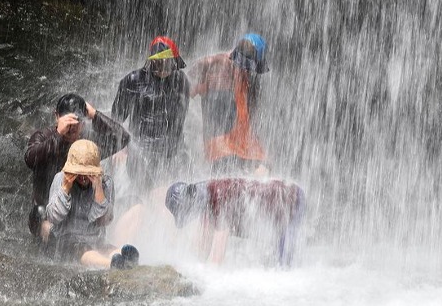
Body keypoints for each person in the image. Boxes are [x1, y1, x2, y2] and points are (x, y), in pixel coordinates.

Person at [25, 93, 130, 245]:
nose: (72, 127)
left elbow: (123, 138)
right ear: (57, 117)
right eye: (67, 121)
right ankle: (51, 244)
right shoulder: (44, 136)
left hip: (81, 212)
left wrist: (94, 115)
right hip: (50, 210)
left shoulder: (87, 144)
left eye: (77, 121)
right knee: (39, 212)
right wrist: (57, 135)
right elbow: (30, 159)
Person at [111, 35, 190, 192]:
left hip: (172, 151)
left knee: (176, 192)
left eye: (167, 63)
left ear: (175, 62)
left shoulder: (181, 81)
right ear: (152, 61)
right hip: (141, 150)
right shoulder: (133, 80)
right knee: (143, 193)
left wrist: (178, 149)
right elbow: (116, 118)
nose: (162, 68)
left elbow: (179, 120)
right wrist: (120, 148)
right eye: (158, 63)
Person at [165, 178, 305, 265]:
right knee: (274, 266)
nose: (190, 216)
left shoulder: (219, 196)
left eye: (186, 213)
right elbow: (201, 251)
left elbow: (216, 259)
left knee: (284, 270)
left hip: (292, 201)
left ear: (189, 203)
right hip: (277, 210)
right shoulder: (206, 197)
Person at [46, 139, 139, 268]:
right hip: (66, 240)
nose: (83, 177)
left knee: (106, 248)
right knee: (84, 249)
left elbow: (105, 221)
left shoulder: (106, 183)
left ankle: (126, 259)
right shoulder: (60, 179)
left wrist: (99, 191)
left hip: (95, 239)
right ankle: (110, 264)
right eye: (79, 172)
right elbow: (53, 217)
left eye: (88, 173)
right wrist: (65, 189)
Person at [188, 33, 270, 174]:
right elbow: (183, 89)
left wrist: (261, 154)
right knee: (229, 169)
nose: (247, 70)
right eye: (246, 66)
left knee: (265, 168)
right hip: (221, 146)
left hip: (245, 144)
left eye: (251, 68)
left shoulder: (252, 80)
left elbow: (251, 118)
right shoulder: (213, 64)